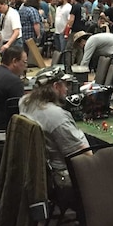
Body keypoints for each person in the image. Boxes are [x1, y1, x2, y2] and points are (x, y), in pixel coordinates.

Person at [20, 68, 89, 197]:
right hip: (62, 176)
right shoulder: (57, 116)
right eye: (65, 85)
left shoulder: (24, 102)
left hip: (37, 172)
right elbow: (85, 155)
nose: (67, 89)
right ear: (56, 86)